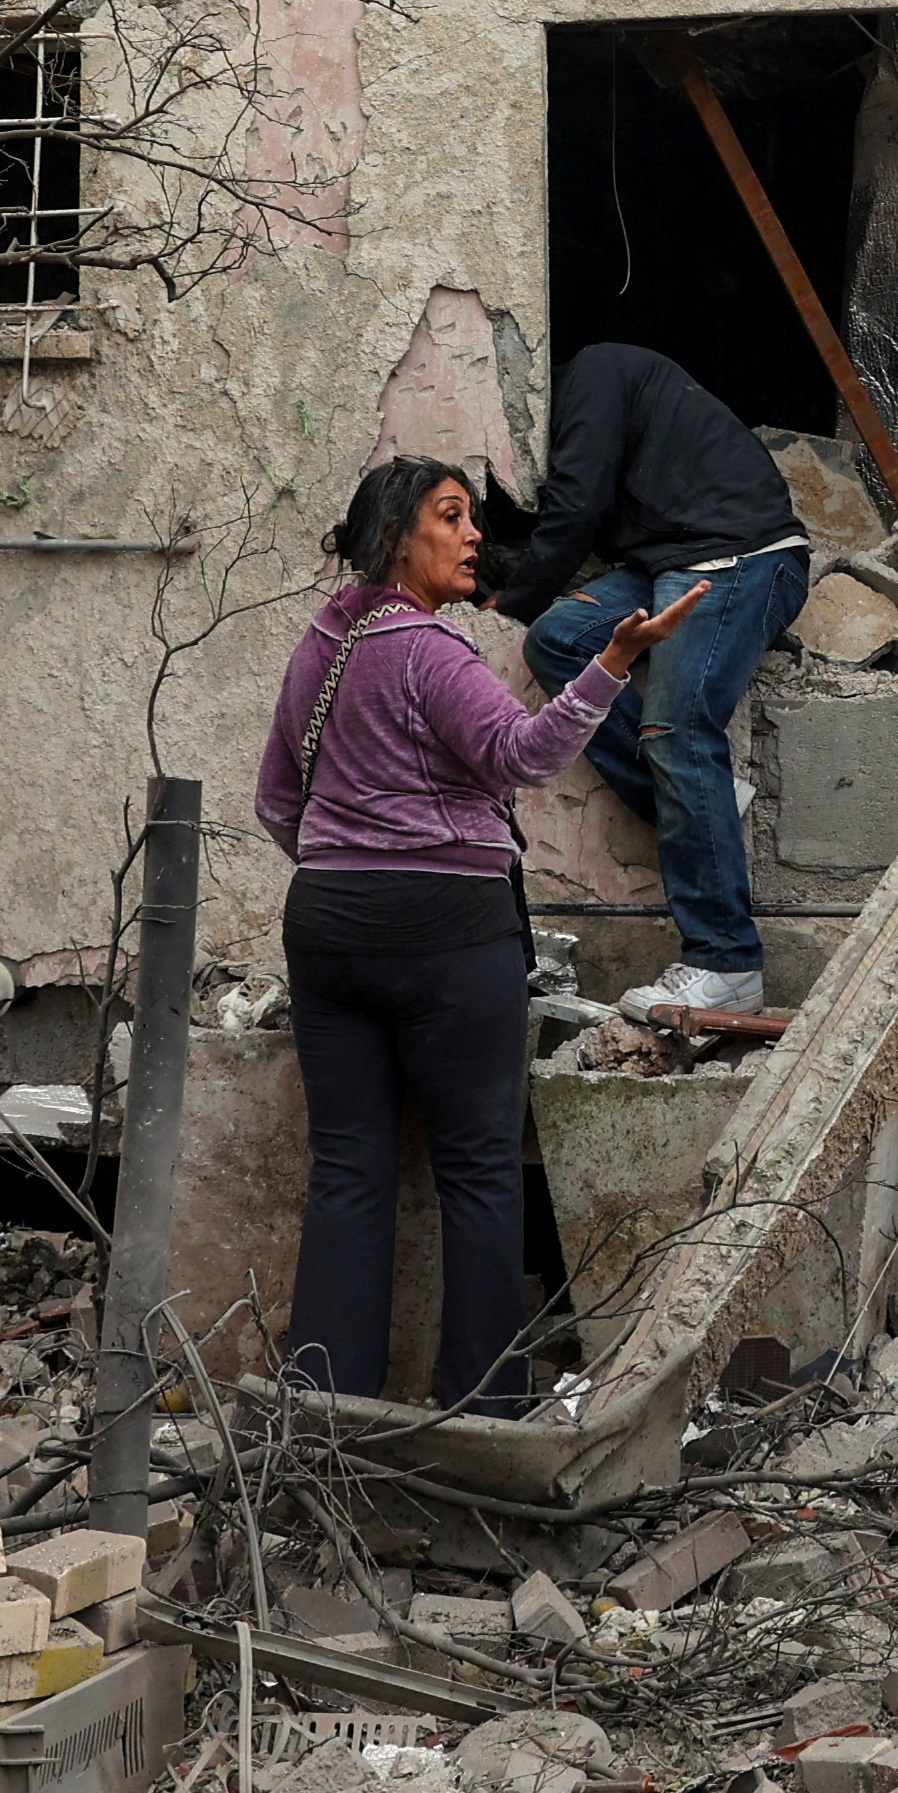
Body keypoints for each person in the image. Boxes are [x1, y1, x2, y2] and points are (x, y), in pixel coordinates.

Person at [258, 454, 689, 1410]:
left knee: (349, 1175)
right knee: (482, 1172)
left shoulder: (318, 651)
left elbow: (276, 803)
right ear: (395, 539)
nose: (472, 535)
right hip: (450, 933)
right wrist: (612, 662)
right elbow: (522, 755)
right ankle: (485, 1415)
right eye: (449, 518)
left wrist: (352, 868)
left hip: (326, 928)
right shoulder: (428, 652)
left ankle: (326, 1420)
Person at [498, 342, 814, 1018]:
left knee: (677, 729)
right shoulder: (608, 391)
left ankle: (726, 960)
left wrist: (511, 599)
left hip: (743, 555)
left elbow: (577, 505)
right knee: (556, 641)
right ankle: (700, 798)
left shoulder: (595, 374)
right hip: (670, 561)